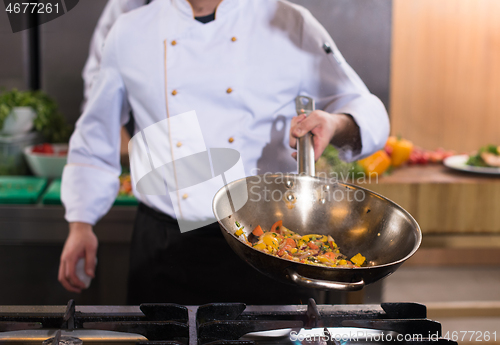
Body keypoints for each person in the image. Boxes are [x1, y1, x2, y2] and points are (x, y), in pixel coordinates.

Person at [58, 0, 389, 305]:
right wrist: (80, 222)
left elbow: (363, 106)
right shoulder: (130, 31)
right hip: (166, 247)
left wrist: (335, 122)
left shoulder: (289, 22)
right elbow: (95, 135)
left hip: (270, 244)